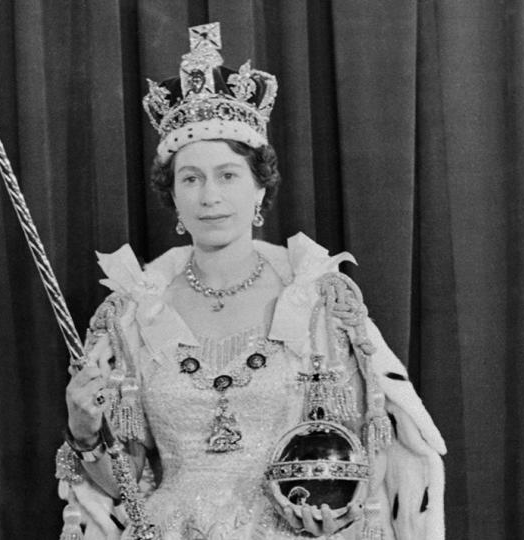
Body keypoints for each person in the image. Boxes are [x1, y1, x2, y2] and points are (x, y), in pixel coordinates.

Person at [56, 23, 446, 539]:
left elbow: (361, 450)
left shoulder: (319, 302)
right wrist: (84, 433)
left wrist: (336, 511)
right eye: (190, 179)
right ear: (172, 198)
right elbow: (124, 486)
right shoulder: (131, 314)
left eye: (228, 175)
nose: (209, 196)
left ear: (260, 189)